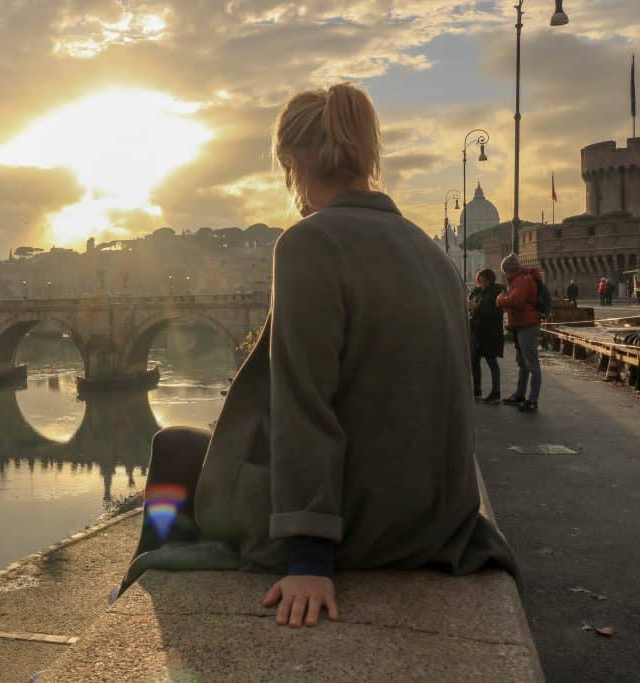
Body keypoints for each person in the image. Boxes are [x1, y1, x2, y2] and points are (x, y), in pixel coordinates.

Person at [120, 82, 516, 630]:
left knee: (175, 452)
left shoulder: (308, 243)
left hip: (357, 527)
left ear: (290, 164)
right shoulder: (434, 256)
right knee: (194, 455)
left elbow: (303, 405)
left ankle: (151, 592)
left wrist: (308, 557)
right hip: (434, 524)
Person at [496, 254, 543, 412]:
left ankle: (532, 400)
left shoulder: (521, 280)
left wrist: (501, 299)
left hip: (527, 325)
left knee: (532, 364)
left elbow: (516, 301)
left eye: (504, 270)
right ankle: (520, 394)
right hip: (521, 325)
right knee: (523, 364)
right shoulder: (518, 279)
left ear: (508, 269)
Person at [468, 269, 505, 404]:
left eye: (483, 281)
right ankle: (476, 390)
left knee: (491, 361)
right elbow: (470, 304)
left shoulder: (497, 291)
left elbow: (496, 312)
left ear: (490, 280)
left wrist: (479, 308)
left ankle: (496, 392)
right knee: (474, 361)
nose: (481, 283)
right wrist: (470, 306)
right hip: (476, 330)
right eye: (479, 280)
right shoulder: (476, 291)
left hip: (490, 332)